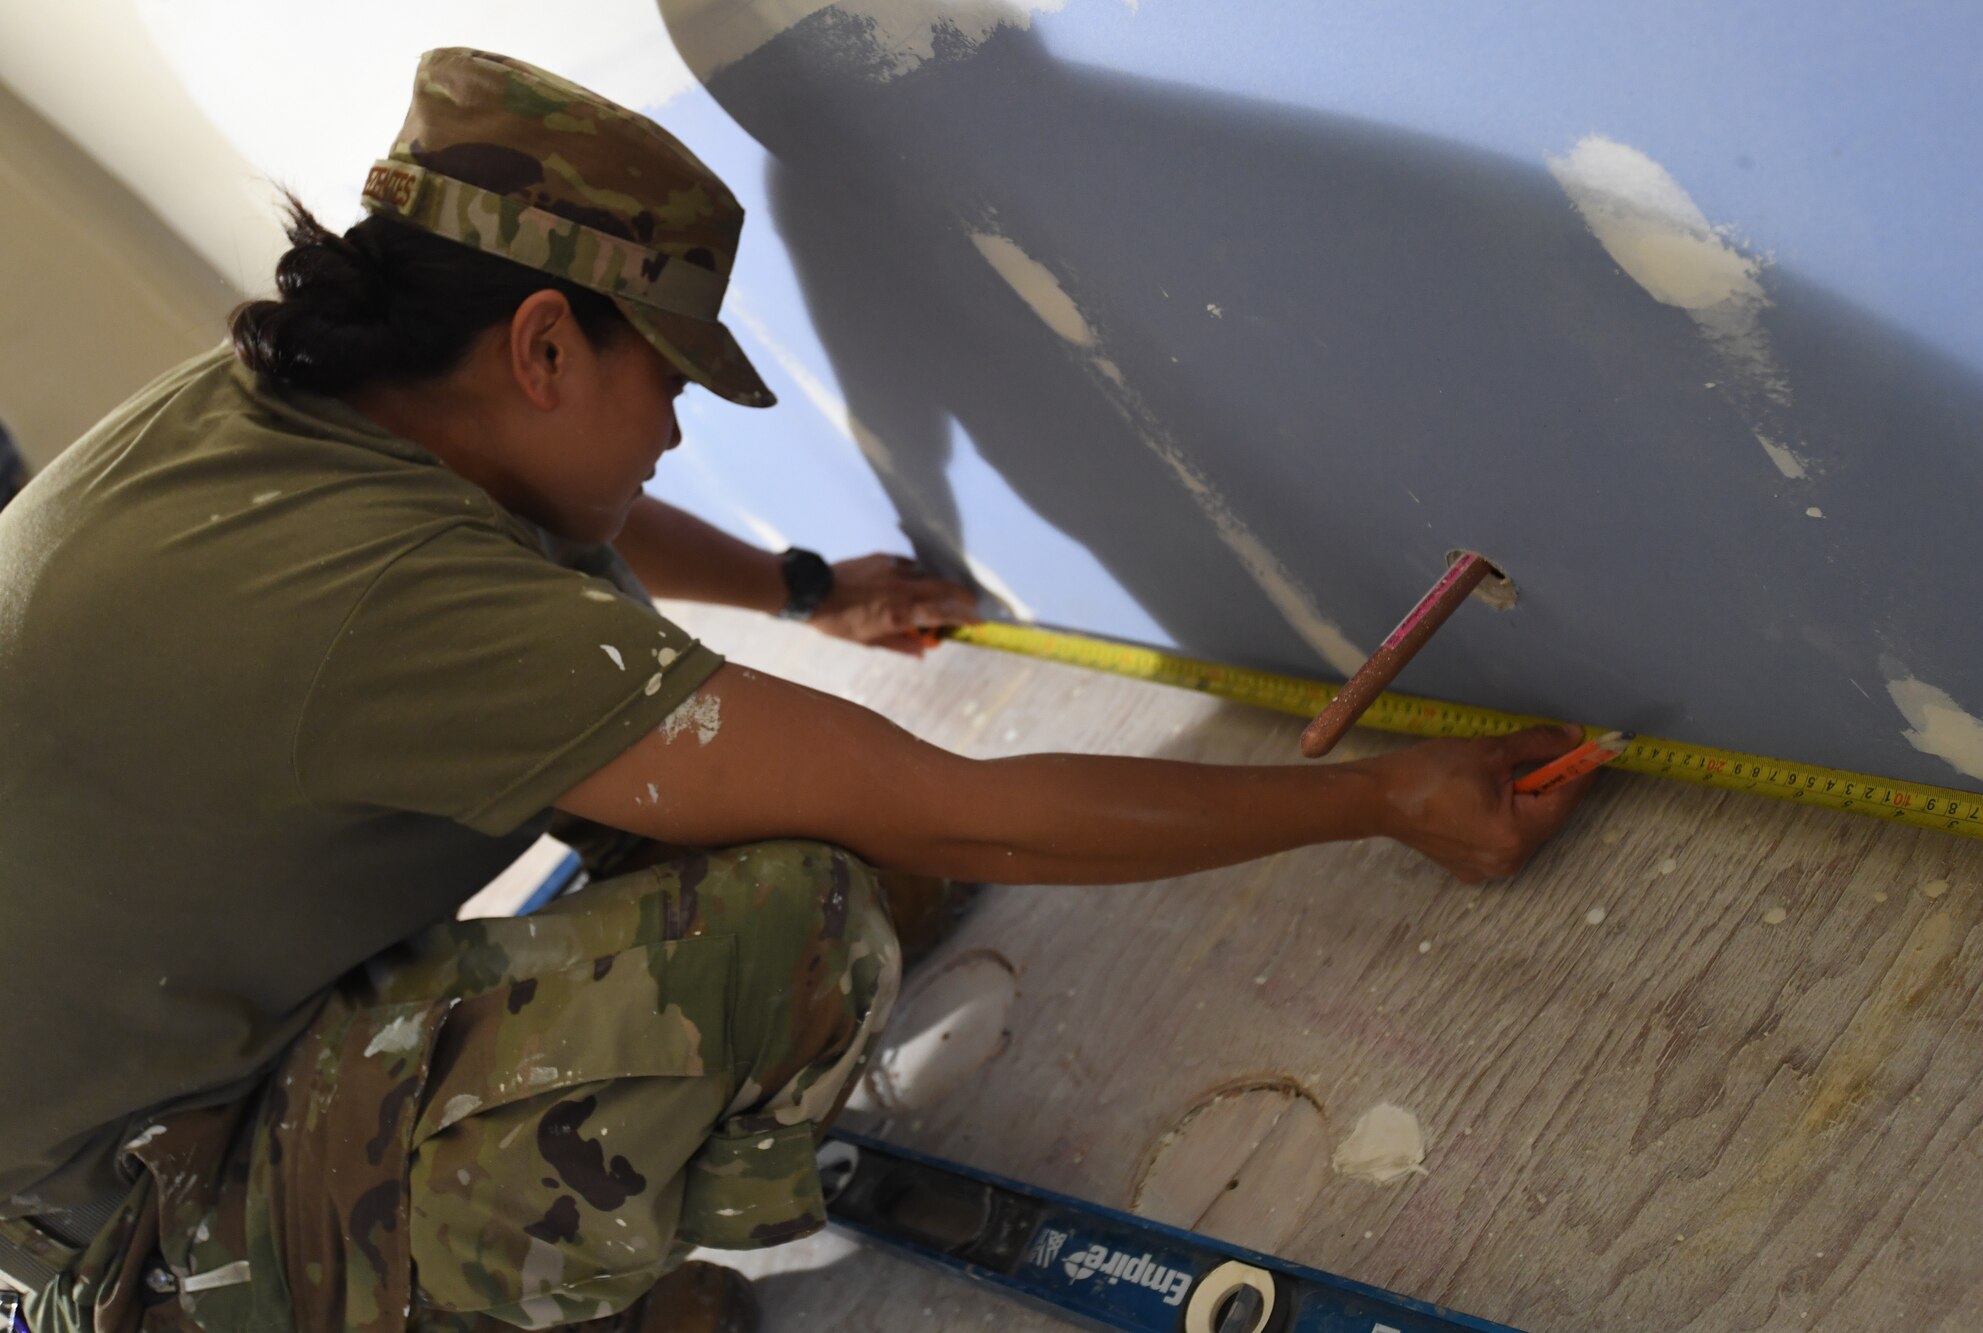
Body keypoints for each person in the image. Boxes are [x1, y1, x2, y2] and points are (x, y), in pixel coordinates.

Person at [0, 48, 1594, 1333]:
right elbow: (967, 805)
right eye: (669, 379)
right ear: (546, 344)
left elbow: (556, 519)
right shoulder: (373, 597)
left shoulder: (295, 399)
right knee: (802, 923)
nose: (678, 431)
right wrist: (1377, 796)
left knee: (837, 852)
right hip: (105, 1228)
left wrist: (808, 590)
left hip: (100, 1073)